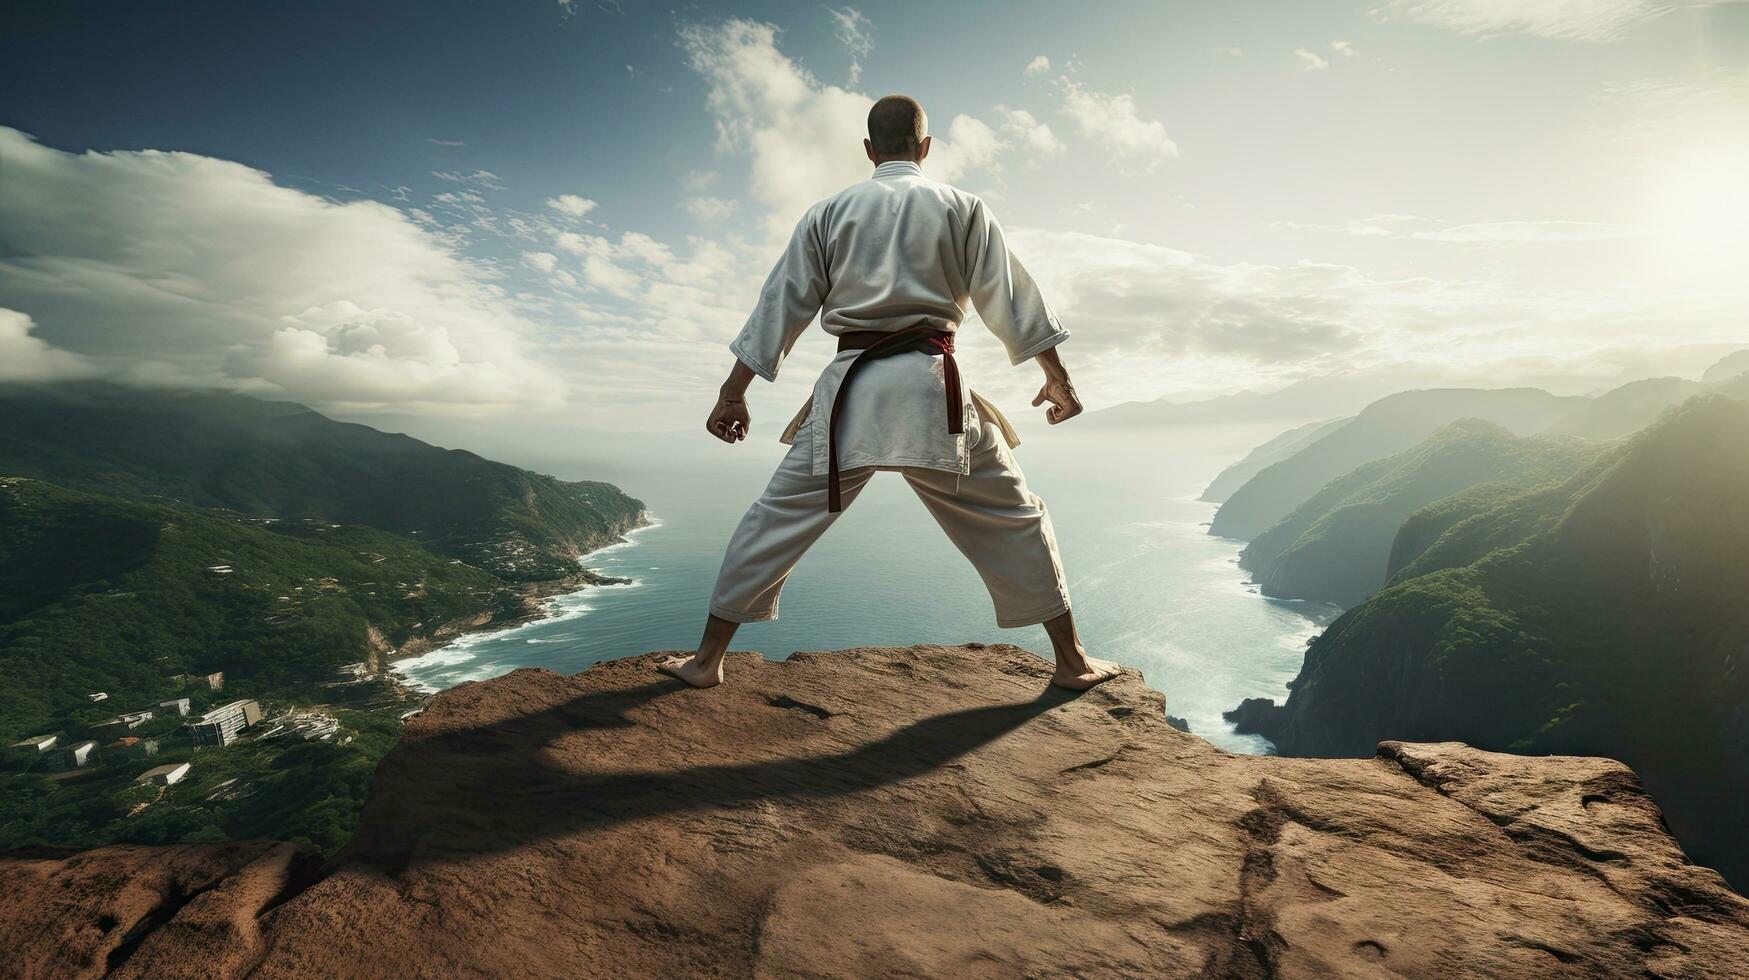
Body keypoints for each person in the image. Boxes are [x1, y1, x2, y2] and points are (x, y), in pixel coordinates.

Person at [660, 95, 1120, 692]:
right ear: (924, 148)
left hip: (850, 397)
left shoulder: (829, 213)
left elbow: (781, 306)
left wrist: (733, 394)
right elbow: (1011, 298)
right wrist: (1055, 378)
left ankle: (706, 661)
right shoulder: (963, 207)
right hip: (936, 395)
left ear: (870, 151)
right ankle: (1072, 662)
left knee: (772, 520)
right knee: (1015, 517)